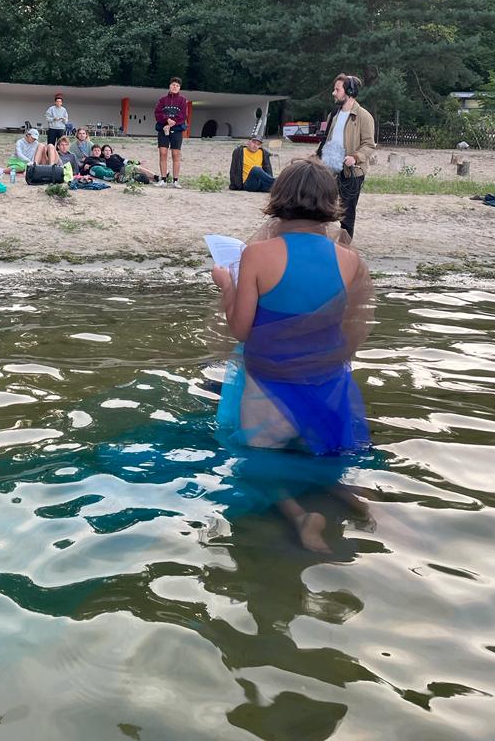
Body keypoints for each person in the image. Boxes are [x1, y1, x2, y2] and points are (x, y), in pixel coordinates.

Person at [211, 158, 373, 552]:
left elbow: (242, 329)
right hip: (327, 385)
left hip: (269, 383)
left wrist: (226, 285)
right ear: (330, 204)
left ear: (278, 199)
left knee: (254, 462)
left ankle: (300, 517)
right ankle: (351, 498)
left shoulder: (257, 255)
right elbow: (349, 331)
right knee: (314, 458)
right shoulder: (350, 260)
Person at [317, 74, 376, 238]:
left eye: (337, 89)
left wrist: (355, 157)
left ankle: (345, 249)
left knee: (347, 214)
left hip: (352, 172)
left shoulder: (364, 116)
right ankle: (321, 242)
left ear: (349, 91)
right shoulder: (333, 115)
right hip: (329, 170)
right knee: (320, 207)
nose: (333, 93)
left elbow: (369, 145)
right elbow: (327, 141)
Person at [154, 76, 189, 188]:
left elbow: (183, 115)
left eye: (177, 86)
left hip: (177, 130)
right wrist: (166, 120)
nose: (175, 87)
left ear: (180, 88)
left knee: (176, 154)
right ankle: (163, 179)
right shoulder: (162, 100)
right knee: (163, 153)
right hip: (163, 130)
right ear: (170, 86)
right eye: (173, 85)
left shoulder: (183, 100)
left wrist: (170, 124)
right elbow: (157, 113)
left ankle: (175, 181)